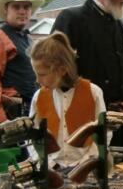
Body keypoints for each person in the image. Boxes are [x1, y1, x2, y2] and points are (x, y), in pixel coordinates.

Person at [51, 0, 123, 145]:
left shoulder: (118, 24)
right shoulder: (72, 19)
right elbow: (56, 71)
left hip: (119, 120)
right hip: (86, 123)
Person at [29, 31, 105, 169]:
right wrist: (48, 165)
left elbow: (104, 133)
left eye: (42, 74)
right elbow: (33, 137)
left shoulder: (94, 92)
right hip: (51, 169)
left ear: (62, 70)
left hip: (86, 167)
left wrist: (86, 163)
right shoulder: (38, 97)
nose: (37, 80)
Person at [0, 0, 44, 124]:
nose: (22, 11)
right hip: (10, 113)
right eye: (16, 7)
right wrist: (1, 119)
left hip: (30, 109)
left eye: (27, 7)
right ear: (6, 10)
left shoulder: (28, 39)